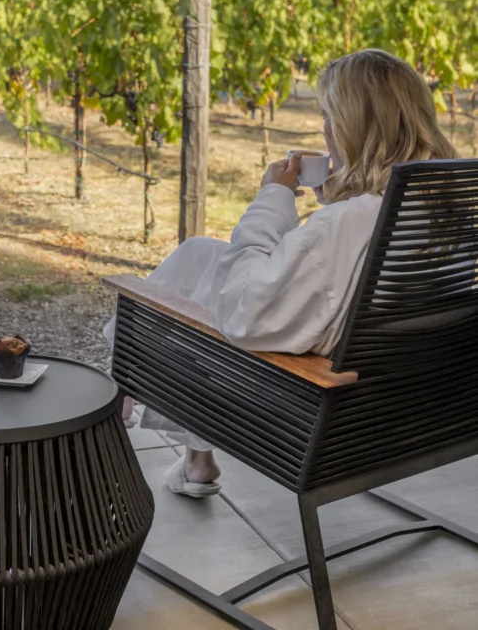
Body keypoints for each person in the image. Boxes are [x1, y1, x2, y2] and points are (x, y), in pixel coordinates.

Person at [104, 49, 458, 497]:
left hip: (308, 405)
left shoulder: (345, 226)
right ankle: (195, 458)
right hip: (406, 398)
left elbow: (244, 315)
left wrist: (272, 200)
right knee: (198, 255)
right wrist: (340, 198)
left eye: (329, 115)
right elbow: (339, 279)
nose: (325, 129)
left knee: (143, 307)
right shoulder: (442, 205)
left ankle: (119, 406)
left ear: (353, 125)